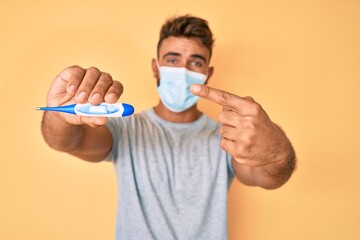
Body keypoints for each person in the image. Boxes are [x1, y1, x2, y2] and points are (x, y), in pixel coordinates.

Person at [41, 15, 296, 240]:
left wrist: (277, 153)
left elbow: (266, 177)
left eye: (195, 62)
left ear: (207, 73)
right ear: (156, 68)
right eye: (172, 60)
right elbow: (67, 141)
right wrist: (59, 114)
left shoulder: (228, 136)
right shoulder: (127, 129)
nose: (183, 71)